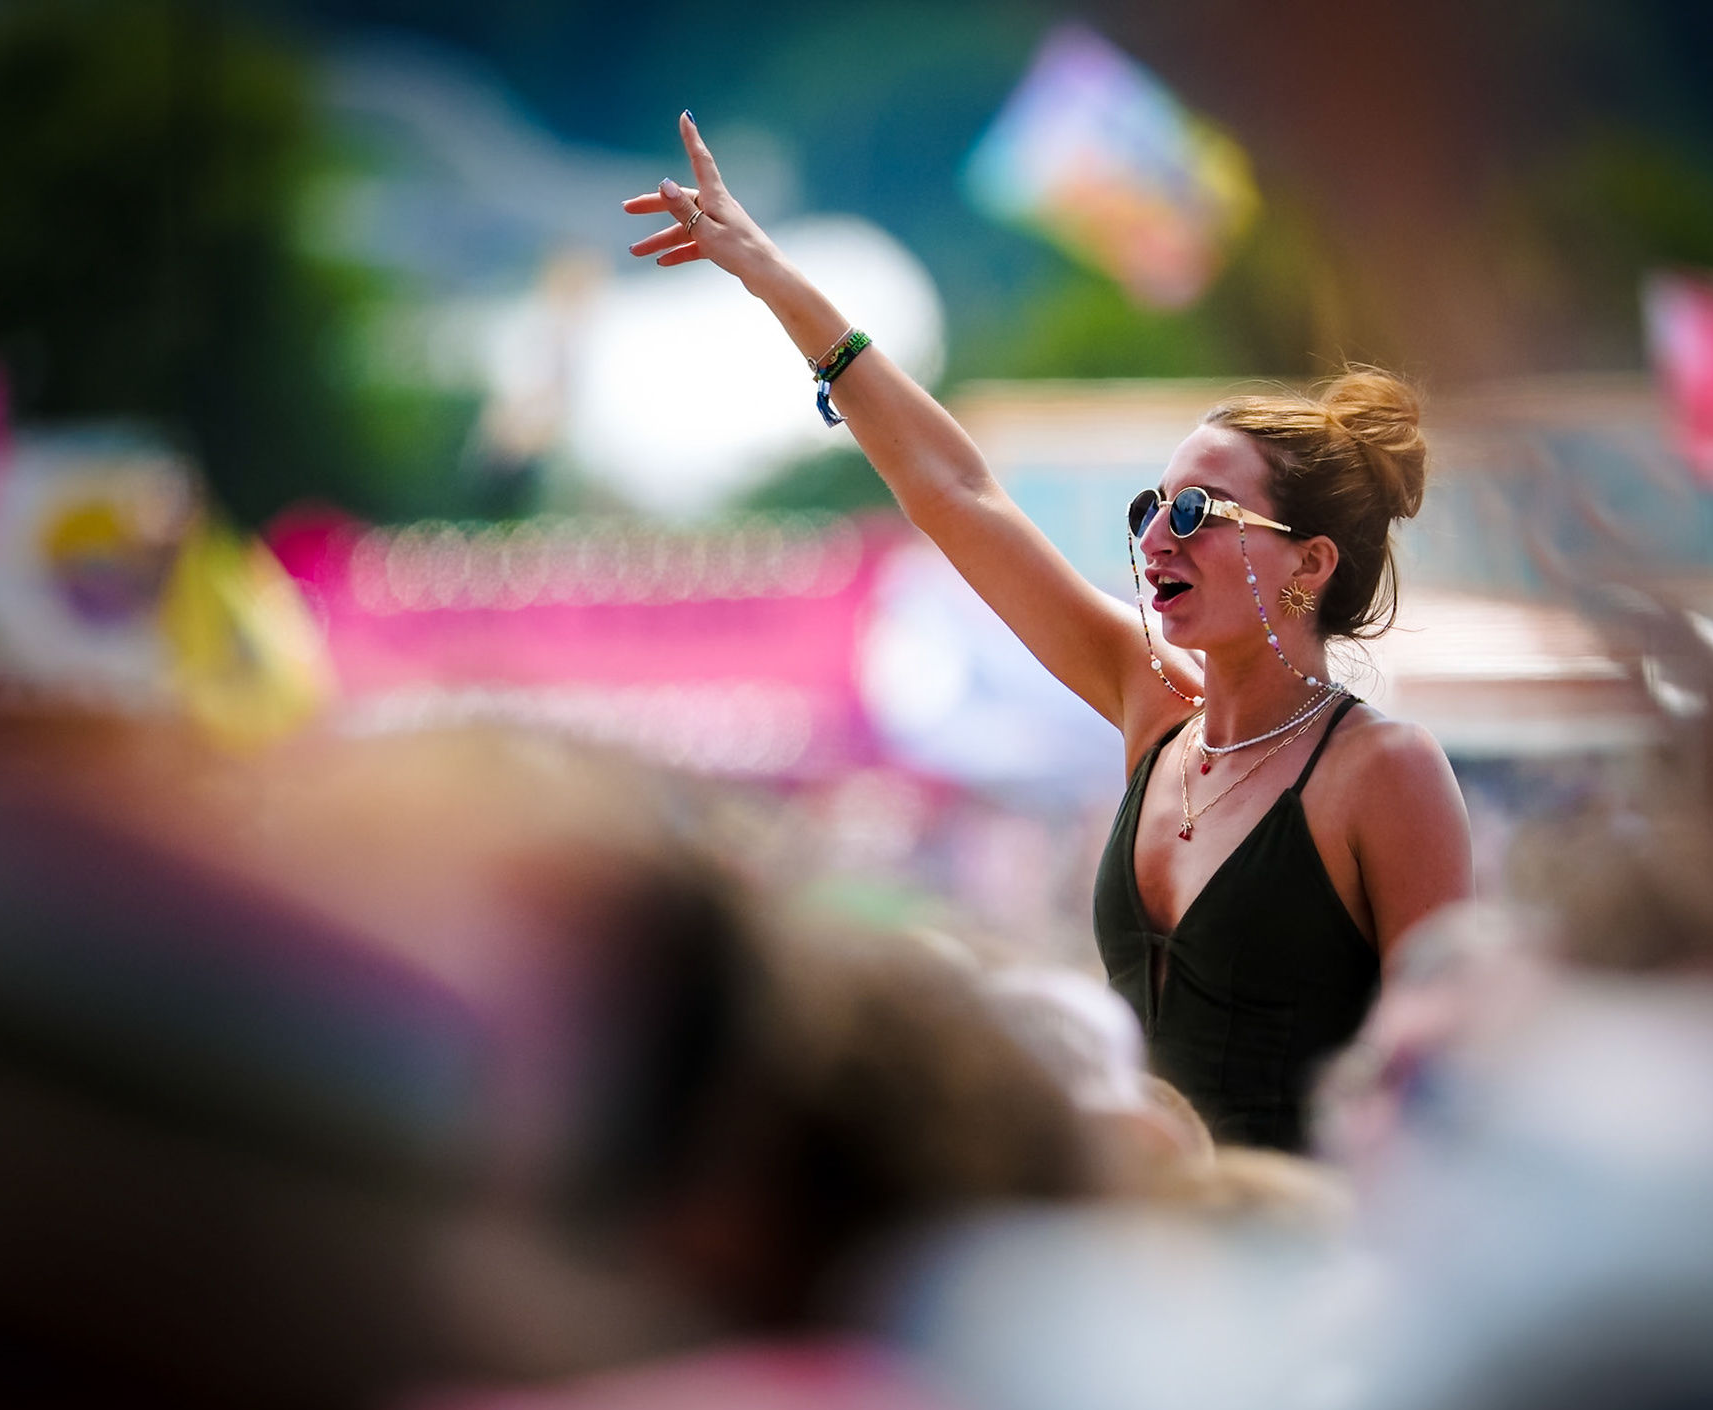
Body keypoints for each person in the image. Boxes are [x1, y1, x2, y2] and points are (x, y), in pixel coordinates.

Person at [625, 114, 1472, 1151]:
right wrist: (773, 281)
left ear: (1309, 563)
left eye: (1199, 512)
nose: (1157, 535)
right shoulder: (1150, 703)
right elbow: (957, 493)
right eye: (1149, 508)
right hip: (1145, 1252)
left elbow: (1455, 1069)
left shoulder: (1384, 769)